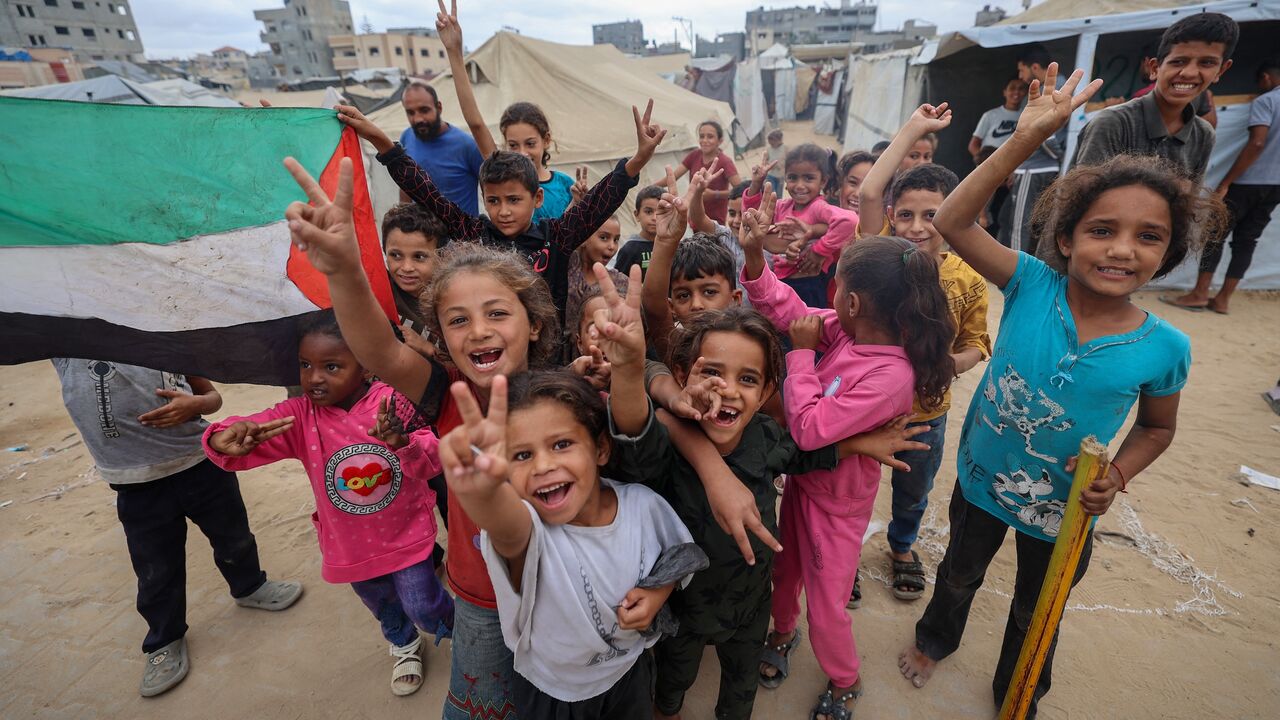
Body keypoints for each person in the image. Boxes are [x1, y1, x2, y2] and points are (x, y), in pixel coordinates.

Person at [900, 66, 1228, 718]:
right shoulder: (1030, 283)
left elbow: (1157, 429)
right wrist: (1024, 139)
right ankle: (935, 640)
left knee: (1038, 605)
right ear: (1065, 238)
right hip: (982, 478)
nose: (1122, 249)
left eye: (1149, 237)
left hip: (1068, 509)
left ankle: (1020, 687)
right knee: (959, 574)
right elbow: (956, 218)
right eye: (1102, 230)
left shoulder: (1166, 348)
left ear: (1168, 254)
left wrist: (1120, 475)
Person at [282, 152, 562, 718]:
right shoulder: (446, 393)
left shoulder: (569, 397)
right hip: (479, 595)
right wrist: (343, 270)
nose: (478, 330)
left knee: (556, 696)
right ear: (441, 336)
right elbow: (379, 350)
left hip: (558, 585)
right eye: (457, 320)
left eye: (497, 314)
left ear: (533, 322)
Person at [744, 192, 956, 720]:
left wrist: (799, 356)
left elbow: (811, 429)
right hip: (804, 485)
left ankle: (844, 679)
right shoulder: (849, 331)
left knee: (828, 606)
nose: (829, 295)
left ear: (853, 301)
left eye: (836, 286)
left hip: (836, 508)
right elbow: (794, 309)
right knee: (784, 569)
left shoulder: (889, 376)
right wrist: (754, 262)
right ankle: (783, 630)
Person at [203, 311, 453, 696]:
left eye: (331, 366)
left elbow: (433, 459)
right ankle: (403, 644)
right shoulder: (300, 416)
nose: (314, 377)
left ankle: (461, 632)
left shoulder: (393, 402)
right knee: (381, 604)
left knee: (423, 604)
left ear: (368, 366)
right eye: (306, 365)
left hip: (406, 535)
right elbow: (252, 431)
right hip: (350, 546)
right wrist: (221, 437)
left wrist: (403, 443)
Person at [440, 365, 705, 718]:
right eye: (521, 455)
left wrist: (658, 593)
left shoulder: (642, 504)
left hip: (628, 674)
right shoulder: (529, 532)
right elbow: (507, 528)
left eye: (561, 444)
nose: (543, 465)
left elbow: (677, 557)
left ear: (600, 449)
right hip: (553, 694)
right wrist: (487, 494)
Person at [51, 359, 302, 697]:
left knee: (234, 537)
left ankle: (250, 587)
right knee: (156, 568)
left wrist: (197, 404)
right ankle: (164, 640)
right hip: (137, 484)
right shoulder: (69, 352)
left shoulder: (162, 342)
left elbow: (212, 397)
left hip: (201, 463)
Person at [335, 98, 662, 319]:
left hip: (545, 358)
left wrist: (637, 162)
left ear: (536, 200)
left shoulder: (556, 237)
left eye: (513, 200)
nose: (503, 211)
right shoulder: (474, 234)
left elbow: (598, 202)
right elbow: (426, 191)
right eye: (494, 201)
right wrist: (381, 141)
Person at [853, 103, 992, 606]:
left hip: (927, 413)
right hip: (865, 408)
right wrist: (912, 127)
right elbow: (870, 190)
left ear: (955, 217)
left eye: (932, 215)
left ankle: (902, 546)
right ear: (891, 218)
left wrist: (949, 366)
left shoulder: (968, 278)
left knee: (913, 491)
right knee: (857, 483)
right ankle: (848, 551)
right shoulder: (880, 261)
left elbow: (978, 343)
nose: (916, 226)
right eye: (905, 215)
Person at [436, 3, 575, 222]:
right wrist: (454, 52)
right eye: (513, 145)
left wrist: (580, 204)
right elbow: (476, 123)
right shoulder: (503, 175)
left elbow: (569, 237)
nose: (522, 153)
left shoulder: (565, 185)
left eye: (530, 143)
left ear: (546, 140)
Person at [1070, 13, 1236, 188]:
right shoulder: (1113, 123)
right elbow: (1082, 197)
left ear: (1221, 70)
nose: (1189, 73)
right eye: (1178, 61)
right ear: (1155, 68)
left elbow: (1189, 204)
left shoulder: (1203, 134)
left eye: (1207, 63)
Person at [1168, 57, 1280, 315]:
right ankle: (1222, 299)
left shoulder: (1267, 101)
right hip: (1276, 185)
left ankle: (1198, 294)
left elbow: (1257, 143)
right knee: (1248, 240)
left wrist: (1227, 181)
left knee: (1215, 234)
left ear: (1265, 78)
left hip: (1248, 181)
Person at [742, 144, 858, 308]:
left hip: (808, 286)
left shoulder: (818, 207)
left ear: (823, 181)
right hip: (780, 282)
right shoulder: (783, 206)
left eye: (809, 178)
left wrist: (818, 251)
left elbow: (849, 222)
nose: (799, 185)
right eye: (793, 177)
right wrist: (756, 184)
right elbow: (751, 220)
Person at [1000, 43, 1066, 252]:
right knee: (1044, 224)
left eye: (1022, 70)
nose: (1021, 76)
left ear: (1035, 67)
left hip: (1034, 168)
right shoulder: (1063, 86)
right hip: (1048, 168)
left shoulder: (1052, 90)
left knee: (1020, 225)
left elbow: (1043, 133)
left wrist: (1059, 157)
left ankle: (1017, 273)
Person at [396, 80, 484, 215]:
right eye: (411, 113)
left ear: (439, 107)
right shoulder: (406, 137)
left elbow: (492, 189)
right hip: (421, 234)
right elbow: (405, 186)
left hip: (461, 234)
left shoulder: (467, 145)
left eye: (424, 110)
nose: (418, 119)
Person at [381, 202, 446, 360]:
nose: (407, 267)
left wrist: (427, 348)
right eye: (396, 255)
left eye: (419, 257)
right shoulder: (379, 287)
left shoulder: (450, 301)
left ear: (442, 257)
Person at [673, 120, 743, 223]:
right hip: (694, 217)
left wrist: (715, 194)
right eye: (702, 136)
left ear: (720, 141)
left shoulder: (725, 162)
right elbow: (672, 177)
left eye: (710, 137)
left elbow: (740, 191)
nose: (704, 140)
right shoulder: (694, 156)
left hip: (715, 222)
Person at [611, 185, 665, 279]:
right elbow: (618, 282)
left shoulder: (673, 246)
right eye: (648, 212)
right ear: (637, 215)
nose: (654, 218)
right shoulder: (629, 249)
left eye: (661, 212)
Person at [969, 78, 1028, 163]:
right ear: (1004, 92)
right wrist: (985, 163)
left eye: (1021, 88)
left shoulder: (1026, 116)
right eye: (1012, 88)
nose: (1016, 92)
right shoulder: (990, 115)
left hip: (1014, 168)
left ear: (1026, 93)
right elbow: (973, 145)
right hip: (989, 167)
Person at [833, 150, 876, 215]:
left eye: (867, 187)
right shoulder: (820, 218)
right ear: (840, 182)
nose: (857, 194)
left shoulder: (884, 224)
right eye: (853, 182)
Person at [764, 128, 787, 194]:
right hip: (771, 174)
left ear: (778, 140)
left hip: (780, 175)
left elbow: (789, 161)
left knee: (778, 194)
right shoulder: (769, 149)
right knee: (771, 192)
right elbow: (766, 159)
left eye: (772, 141)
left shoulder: (785, 148)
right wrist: (767, 164)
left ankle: (778, 204)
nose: (770, 143)